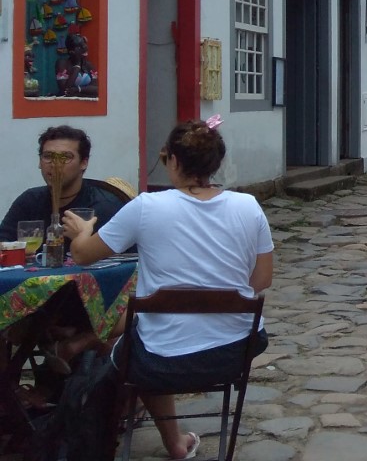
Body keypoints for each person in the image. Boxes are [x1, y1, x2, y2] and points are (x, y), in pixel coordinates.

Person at [66, 119, 273, 461]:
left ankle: (163, 440)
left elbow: (83, 255)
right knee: (144, 338)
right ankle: (175, 444)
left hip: (160, 362)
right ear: (215, 163)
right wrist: (215, 293)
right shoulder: (248, 206)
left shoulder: (147, 206)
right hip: (234, 352)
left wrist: (82, 230)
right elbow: (262, 279)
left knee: (135, 345)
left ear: (174, 161)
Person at [0, 125, 125, 242]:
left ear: (84, 163)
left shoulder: (104, 206)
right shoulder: (29, 201)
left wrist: (83, 241)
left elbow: (123, 255)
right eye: (48, 156)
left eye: (65, 157)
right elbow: (4, 242)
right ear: (39, 162)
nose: (55, 164)